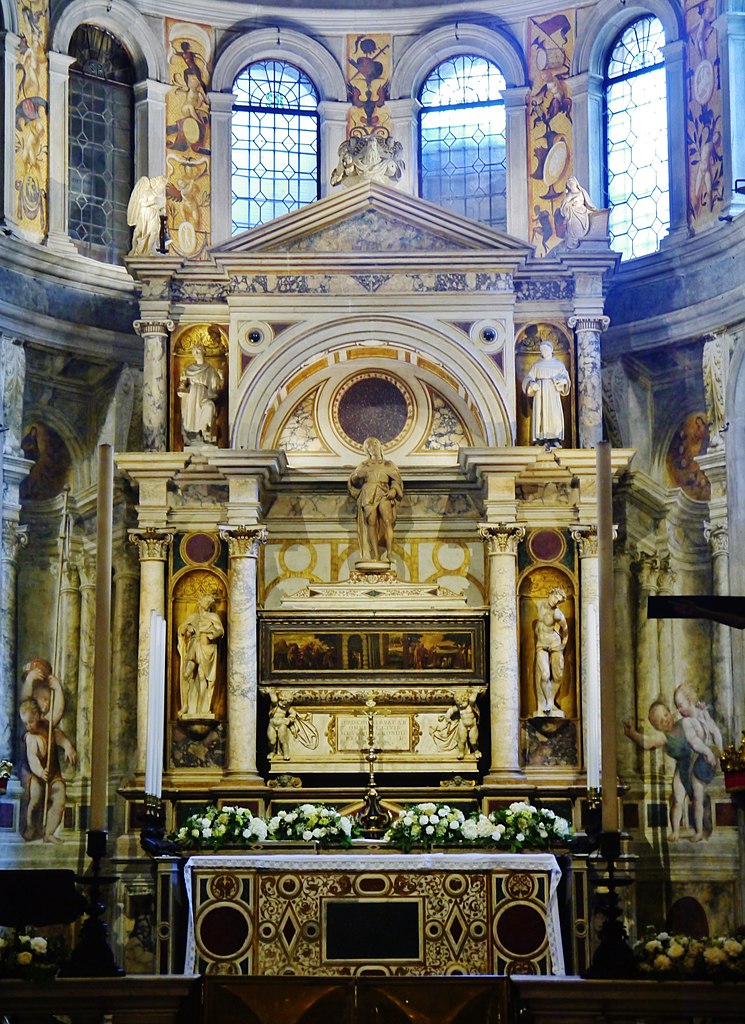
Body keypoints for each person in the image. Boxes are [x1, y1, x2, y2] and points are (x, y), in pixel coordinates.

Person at [624, 700, 718, 842]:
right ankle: (675, 831)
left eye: (666, 715)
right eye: (660, 722)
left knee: (698, 799)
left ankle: (699, 831)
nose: (666, 720)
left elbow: (700, 728)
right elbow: (647, 743)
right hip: (682, 768)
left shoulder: (684, 724)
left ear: (670, 712)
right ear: (656, 727)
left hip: (696, 765)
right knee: (677, 801)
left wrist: (700, 709)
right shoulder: (663, 737)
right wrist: (632, 734)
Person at [20, 697, 76, 844]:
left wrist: (67, 746)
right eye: (25, 723)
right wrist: (40, 772)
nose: (28, 726)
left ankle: (49, 833)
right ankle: (31, 826)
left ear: (38, 716)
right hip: (36, 774)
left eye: (31, 722)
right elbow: (32, 758)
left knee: (60, 799)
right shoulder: (30, 738)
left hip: (53, 773)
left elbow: (58, 736)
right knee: (35, 799)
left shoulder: (47, 727)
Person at [348, 437, 404, 563]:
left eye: (374, 444)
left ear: (379, 445)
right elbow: (353, 480)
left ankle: (389, 553)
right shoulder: (364, 465)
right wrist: (357, 476)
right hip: (368, 493)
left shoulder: (388, 464)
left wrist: (394, 490)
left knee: (387, 520)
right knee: (371, 521)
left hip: (384, 491)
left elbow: (396, 481)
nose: (372, 448)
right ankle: (375, 555)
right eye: (368, 446)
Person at [177, 595, 224, 719]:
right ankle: (185, 705)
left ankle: (201, 708)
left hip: (206, 647)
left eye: (209, 602)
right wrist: (187, 628)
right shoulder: (193, 617)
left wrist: (214, 634)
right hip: (193, 645)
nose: (208, 603)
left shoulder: (213, 616)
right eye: (205, 600)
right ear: (199, 602)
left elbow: (220, 630)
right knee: (186, 674)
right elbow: (181, 629)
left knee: (203, 677)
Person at [522, 339, 571, 447]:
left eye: (546, 349)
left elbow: (566, 378)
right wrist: (532, 384)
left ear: (551, 350)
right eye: (542, 350)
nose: (543, 351)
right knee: (540, 414)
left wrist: (563, 381)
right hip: (540, 394)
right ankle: (540, 438)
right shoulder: (537, 365)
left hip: (553, 393)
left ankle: (555, 438)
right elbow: (528, 378)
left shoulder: (558, 364)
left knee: (554, 415)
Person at [177, 343, 224, 445]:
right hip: (192, 396)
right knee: (193, 413)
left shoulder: (210, 369)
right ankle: (195, 434)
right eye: (195, 352)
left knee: (209, 406)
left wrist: (221, 379)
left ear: (203, 352)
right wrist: (182, 384)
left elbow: (216, 387)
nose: (197, 354)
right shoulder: (189, 369)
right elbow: (182, 385)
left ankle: (204, 429)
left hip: (205, 394)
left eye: (199, 351)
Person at [533, 588, 568, 717]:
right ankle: (547, 702)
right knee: (545, 674)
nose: (555, 601)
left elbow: (565, 629)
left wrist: (563, 645)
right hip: (541, 644)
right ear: (551, 593)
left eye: (558, 601)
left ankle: (551, 701)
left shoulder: (557, 614)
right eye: (555, 598)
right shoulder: (539, 604)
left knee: (558, 676)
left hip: (554, 643)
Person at [127, 175, 167, 256]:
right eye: (162, 185)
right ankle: (134, 249)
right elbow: (142, 203)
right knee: (138, 233)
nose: (163, 187)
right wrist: (153, 202)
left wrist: (163, 209)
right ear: (158, 184)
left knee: (154, 232)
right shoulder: (148, 192)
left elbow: (162, 208)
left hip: (154, 216)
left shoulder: (162, 197)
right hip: (145, 215)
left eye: (164, 186)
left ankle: (148, 251)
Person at [436, 689, 481, 760]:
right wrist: (448, 718)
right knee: (462, 740)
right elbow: (451, 710)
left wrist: (476, 691)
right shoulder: (459, 707)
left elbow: (472, 699)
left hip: (472, 725)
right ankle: (461, 752)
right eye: (459, 704)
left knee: (473, 741)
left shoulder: (470, 705)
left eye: (462, 703)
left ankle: (476, 750)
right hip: (463, 724)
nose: (460, 705)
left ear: (466, 699)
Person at [559, 175, 597, 249]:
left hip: (583, 214)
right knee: (575, 230)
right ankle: (574, 245)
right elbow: (563, 205)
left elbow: (589, 203)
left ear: (576, 183)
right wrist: (571, 203)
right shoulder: (569, 195)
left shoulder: (582, 192)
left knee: (581, 231)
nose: (571, 184)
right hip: (573, 215)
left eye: (572, 182)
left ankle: (581, 245)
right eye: (569, 183)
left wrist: (595, 210)